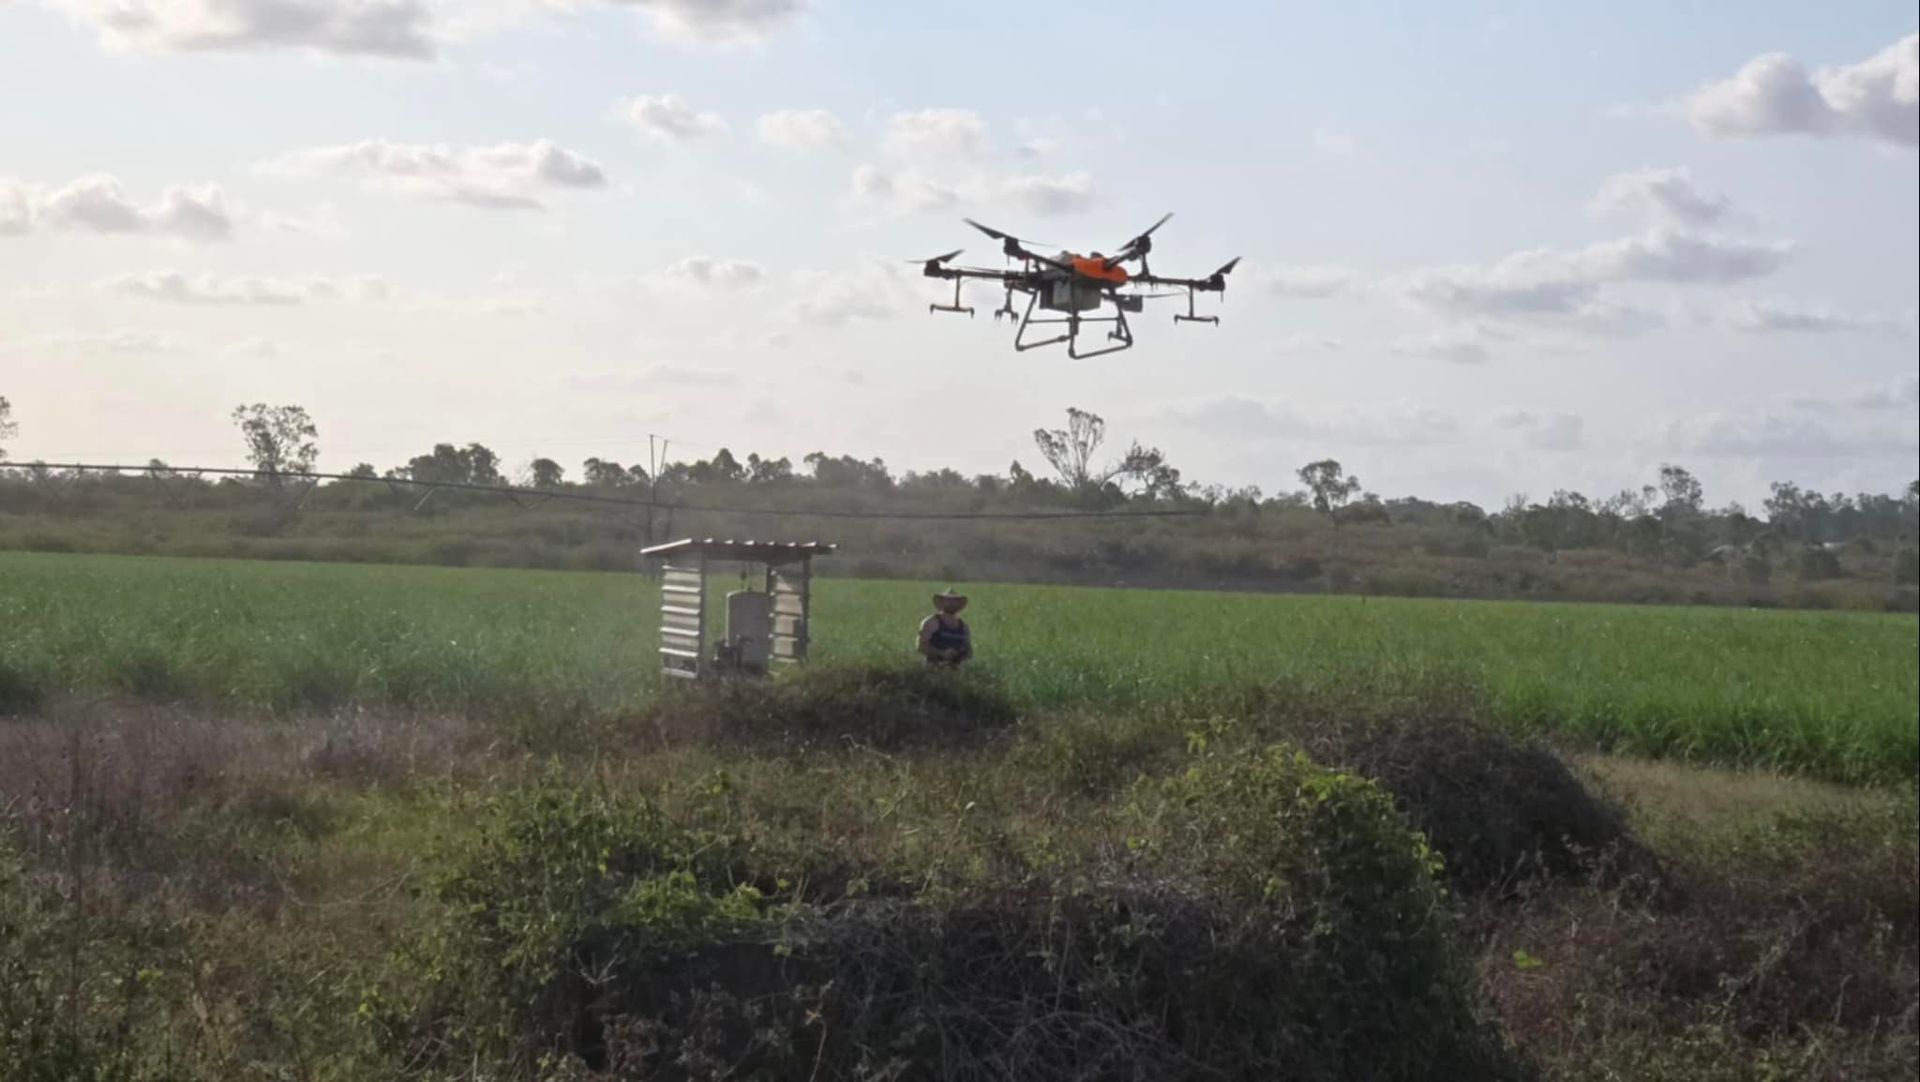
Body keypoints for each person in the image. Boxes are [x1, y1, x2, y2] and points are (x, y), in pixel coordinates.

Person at [918, 588, 972, 667]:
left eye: (954, 601)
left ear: (958, 604)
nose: (951, 603)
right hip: (933, 669)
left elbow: (968, 649)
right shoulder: (931, 622)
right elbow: (920, 646)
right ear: (942, 603)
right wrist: (942, 653)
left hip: (957, 671)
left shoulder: (964, 626)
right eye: (948, 600)